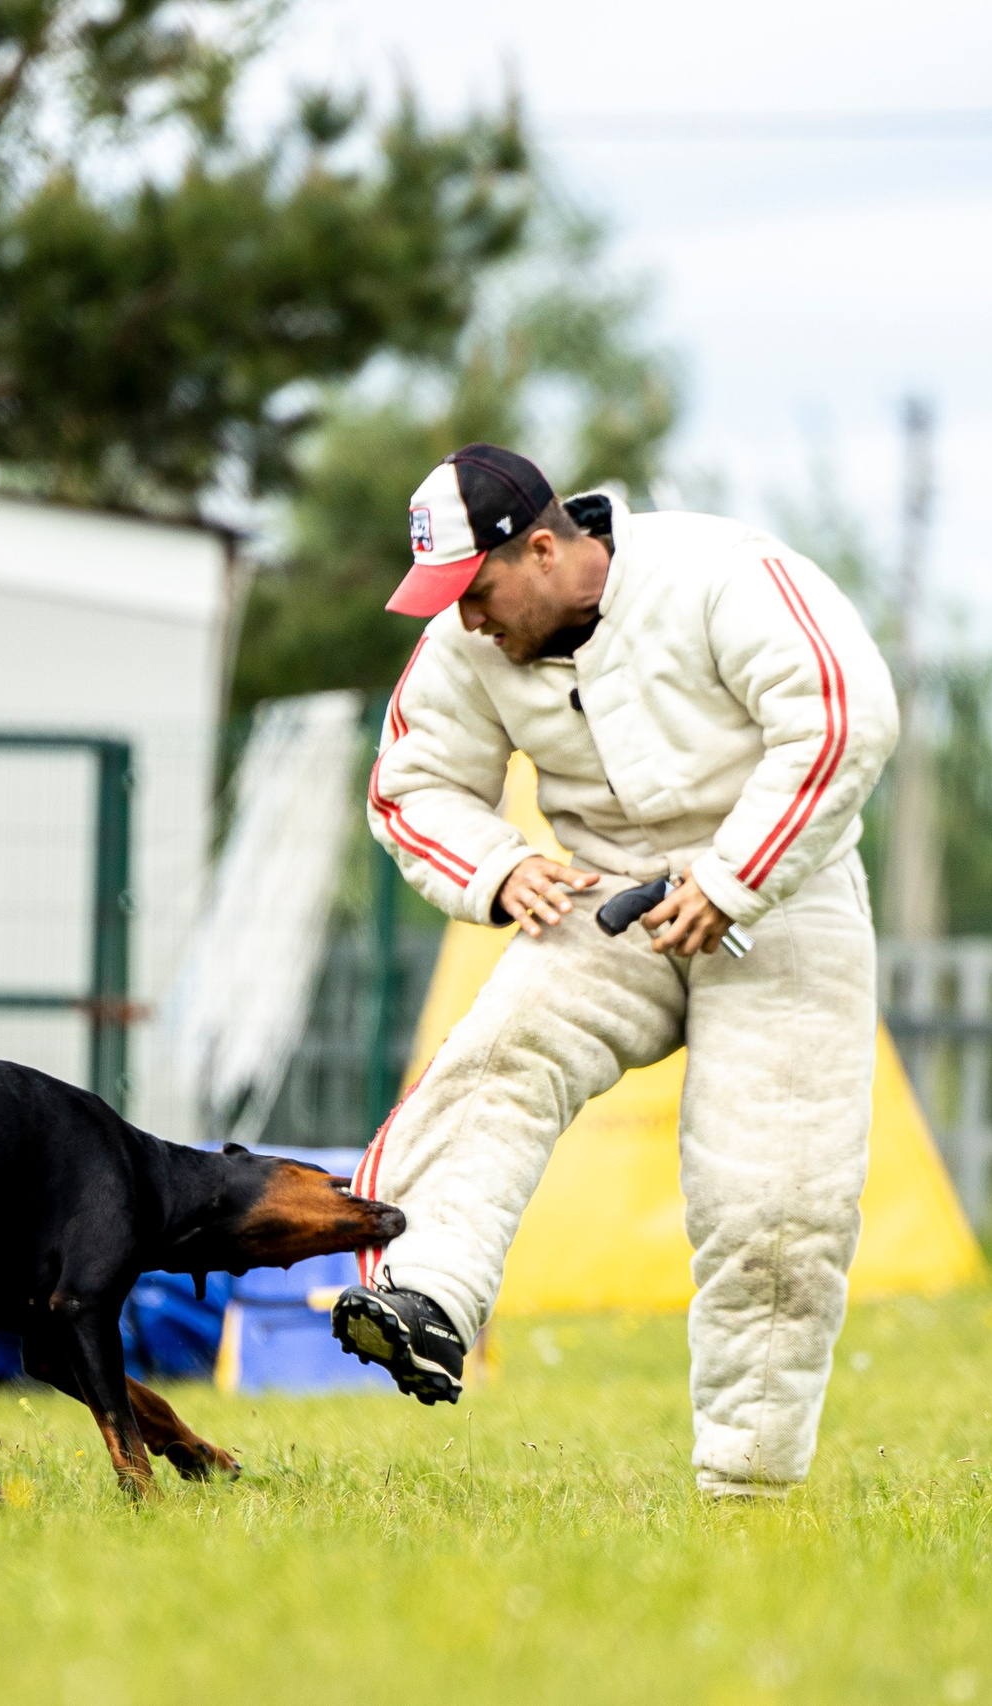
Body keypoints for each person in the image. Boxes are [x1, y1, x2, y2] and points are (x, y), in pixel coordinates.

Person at [329, 442, 898, 1498]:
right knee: (495, 1063)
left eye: (477, 592)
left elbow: (841, 718)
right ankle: (427, 1300)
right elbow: (409, 785)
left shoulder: (719, 573)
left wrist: (732, 879)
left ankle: (748, 1494)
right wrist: (498, 868)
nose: (464, 621)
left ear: (542, 548)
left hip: (783, 890)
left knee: (774, 1205)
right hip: (608, 892)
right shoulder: (472, 644)